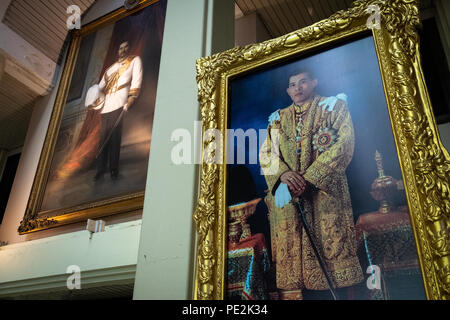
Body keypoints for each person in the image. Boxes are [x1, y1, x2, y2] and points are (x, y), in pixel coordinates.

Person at [259, 69, 363, 300]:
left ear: (314, 82)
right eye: (293, 84)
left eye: (303, 82)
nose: (298, 88)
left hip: (325, 196)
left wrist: (310, 178)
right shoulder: (278, 118)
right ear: (288, 90)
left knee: (332, 266)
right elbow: (267, 153)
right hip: (291, 199)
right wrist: (284, 175)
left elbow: (344, 143)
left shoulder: (332, 107)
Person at [86, 41, 143, 181]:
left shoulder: (134, 60)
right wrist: (92, 100)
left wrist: (131, 98)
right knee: (103, 138)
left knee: (115, 137)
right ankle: (100, 169)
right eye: (120, 48)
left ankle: (113, 169)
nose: (122, 50)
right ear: (118, 51)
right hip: (106, 105)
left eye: (125, 48)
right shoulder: (110, 69)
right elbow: (99, 88)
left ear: (129, 49)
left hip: (120, 101)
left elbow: (136, 80)